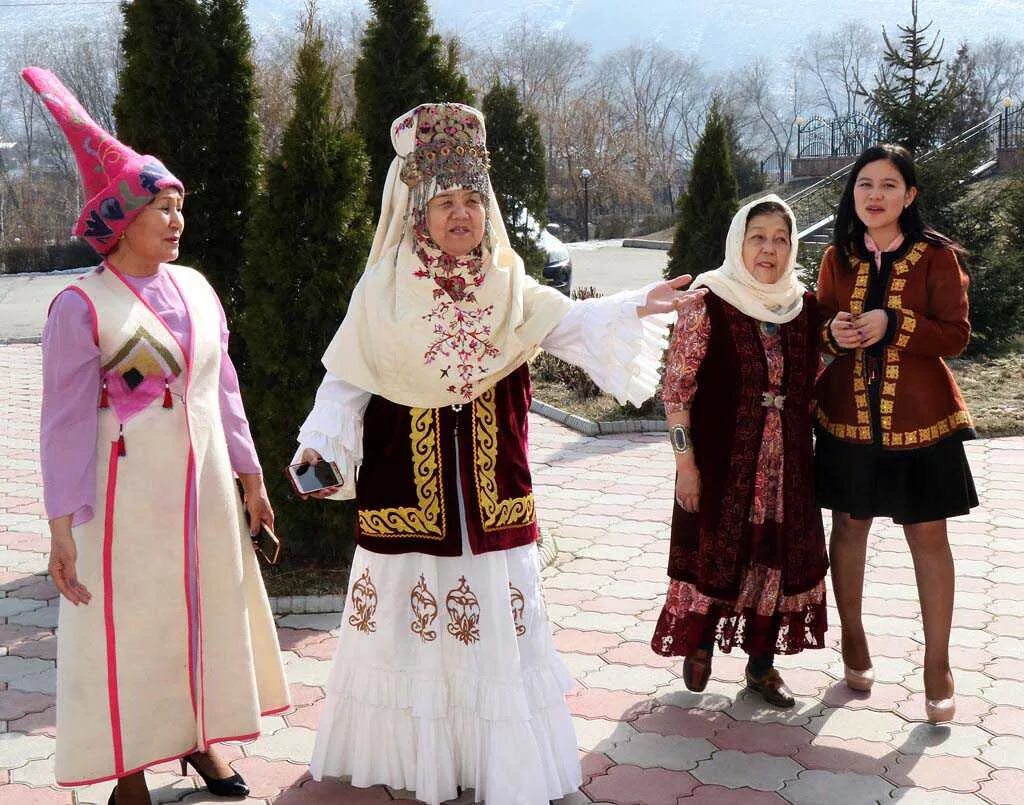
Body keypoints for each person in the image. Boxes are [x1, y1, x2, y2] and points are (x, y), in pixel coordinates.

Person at [294, 102, 689, 805]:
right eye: (444, 201)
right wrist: (320, 444)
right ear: (416, 210)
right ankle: (418, 762)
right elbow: (344, 381)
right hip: (406, 501)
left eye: (472, 200)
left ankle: (491, 759)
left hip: (490, 501)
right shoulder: (380, 292)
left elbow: (573, 324)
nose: (460, 214)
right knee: (411, 637)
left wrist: (638, 301)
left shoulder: (509, 284)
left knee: (495, 642)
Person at [26, 67, 290, 804]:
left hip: (203, 489)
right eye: (159, 207)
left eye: (178, 206)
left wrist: (251, 477)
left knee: (204, 615)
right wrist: (61, 526)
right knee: (133, 628)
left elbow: (223, 387)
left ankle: (202, 740)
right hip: (123, 501)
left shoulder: (200, 289)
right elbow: (63, 423)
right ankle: (130, 767)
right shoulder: (81, 307)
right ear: (121, 218)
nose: (175, 220)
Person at [815, 143, 977, 724]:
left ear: (909, 196)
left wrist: (895, 323)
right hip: (848, 420)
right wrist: (834, 330)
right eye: (864, 184)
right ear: (852, 193)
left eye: (888, 185)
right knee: (849, 528)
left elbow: (955, 334)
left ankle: (938, 663)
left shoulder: (936, 257)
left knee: (928, 539)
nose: (874, 196)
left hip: (920, 420)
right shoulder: (838, 257)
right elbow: (819, 326)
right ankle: (853, 639)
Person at [651, 196, 829, 708]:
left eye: (780, 238)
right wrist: (685, 465)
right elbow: (677, 390)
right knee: (717, 552)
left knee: (773, 561)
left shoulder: (803, 307)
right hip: (723, 463)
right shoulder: (709, 299)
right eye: (758, 237)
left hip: (785, 466)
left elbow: (810, 379)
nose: (769, 249)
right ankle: (701, 643)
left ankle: (761, 667)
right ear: (738, 242)